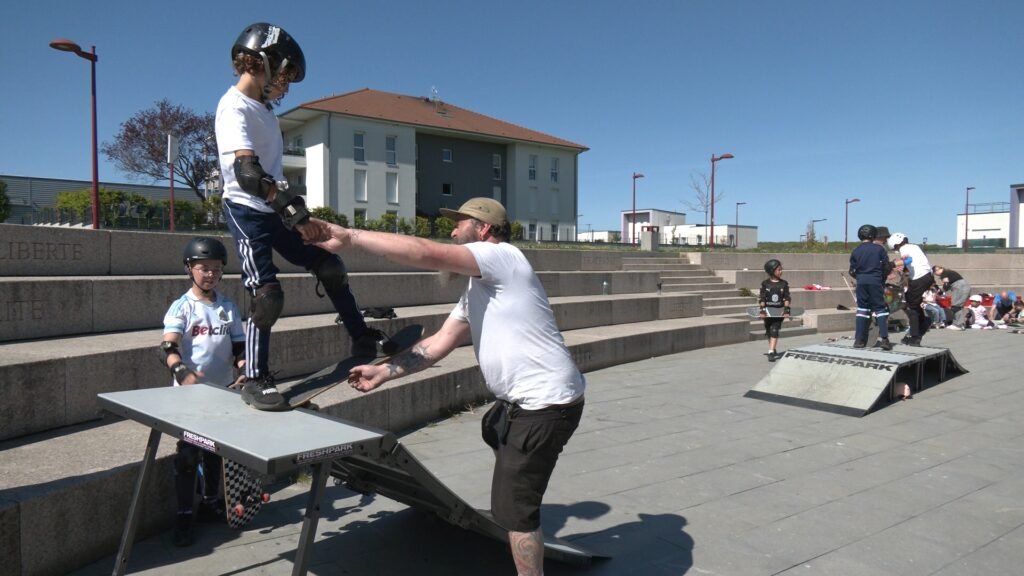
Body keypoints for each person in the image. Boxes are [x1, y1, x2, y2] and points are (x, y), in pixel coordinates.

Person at [311, 198, 585, 576]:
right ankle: (511, 501)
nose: (452, 231)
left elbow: (425, 252)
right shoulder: (478, 288)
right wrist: (385, 371)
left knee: (518, 513)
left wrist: (352, 236)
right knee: (494, 430)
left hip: (544, 406)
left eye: (460, 224)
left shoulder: (502, 257)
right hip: (523, 403)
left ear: (484, 229)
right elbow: (438, 343)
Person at [216, 22, 386, 410]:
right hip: (247, 211)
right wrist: (293, 210)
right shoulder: (233, 107)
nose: (286, 85)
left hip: (273, 210)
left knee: (329, 265)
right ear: (265, 61)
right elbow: (247, 174)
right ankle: (256, 379)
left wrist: (294, 216)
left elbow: (269, 176)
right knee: (267, 295)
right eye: (286, 75)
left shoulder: (264, 110)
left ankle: (361, 336)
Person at [160, 237, 246, 547]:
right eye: (203, 268)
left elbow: (238, 346)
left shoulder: (228, 306)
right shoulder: (182, 306)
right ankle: (184, 515)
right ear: (189, 269)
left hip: (221, 391)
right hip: (189, 395)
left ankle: (211, 502)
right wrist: (181, 372)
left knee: (214, 452)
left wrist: (244, 368)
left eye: (216, 269)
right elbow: (169, 346)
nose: (210, 274)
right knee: (187, 455)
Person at [849, 225, 893, 350]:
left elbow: (851, 271)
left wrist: (860, 276)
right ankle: (884, 339)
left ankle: (858, 340)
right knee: (880, 309)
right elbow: (886, 267)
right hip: (875, 281)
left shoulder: (856, 251)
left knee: (862, 310)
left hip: (861, 282)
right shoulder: (879, 249)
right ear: (873, 235)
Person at [887, 232, 933, 346]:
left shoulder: (904, 248)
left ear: (897, 244)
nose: (897, 250)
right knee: (913, 302)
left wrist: (896, 265)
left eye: (895, 248)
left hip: (919, 278)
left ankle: (915, 336)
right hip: (927, 276)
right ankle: (923, 322)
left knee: (909, 306)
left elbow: (908, 260)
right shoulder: (915, 246)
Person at [758, 259, 791, 361]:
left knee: (774, 330)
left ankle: (771, 352)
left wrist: (786, 310)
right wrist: (762, 311)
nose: (781, 271)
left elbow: (787, 298)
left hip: (779, 311)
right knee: (769, 331)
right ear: (772, 271)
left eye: (781, 269)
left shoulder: (784, 284)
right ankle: (773, 348)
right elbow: (762, 298)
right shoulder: (765, 284)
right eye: (779, 270)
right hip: (768, 311)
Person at [932, 265, 971, 330]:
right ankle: (959, 324)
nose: (936, 274)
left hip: (959, 288)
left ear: (937, 270)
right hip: (963, 287)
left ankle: (958, 325)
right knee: (958, 306)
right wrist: (942, 291)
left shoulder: (944, 273)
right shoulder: (949, 272)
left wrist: (940, 292)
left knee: (956, 305)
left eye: (935, 272)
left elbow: (946, 284)